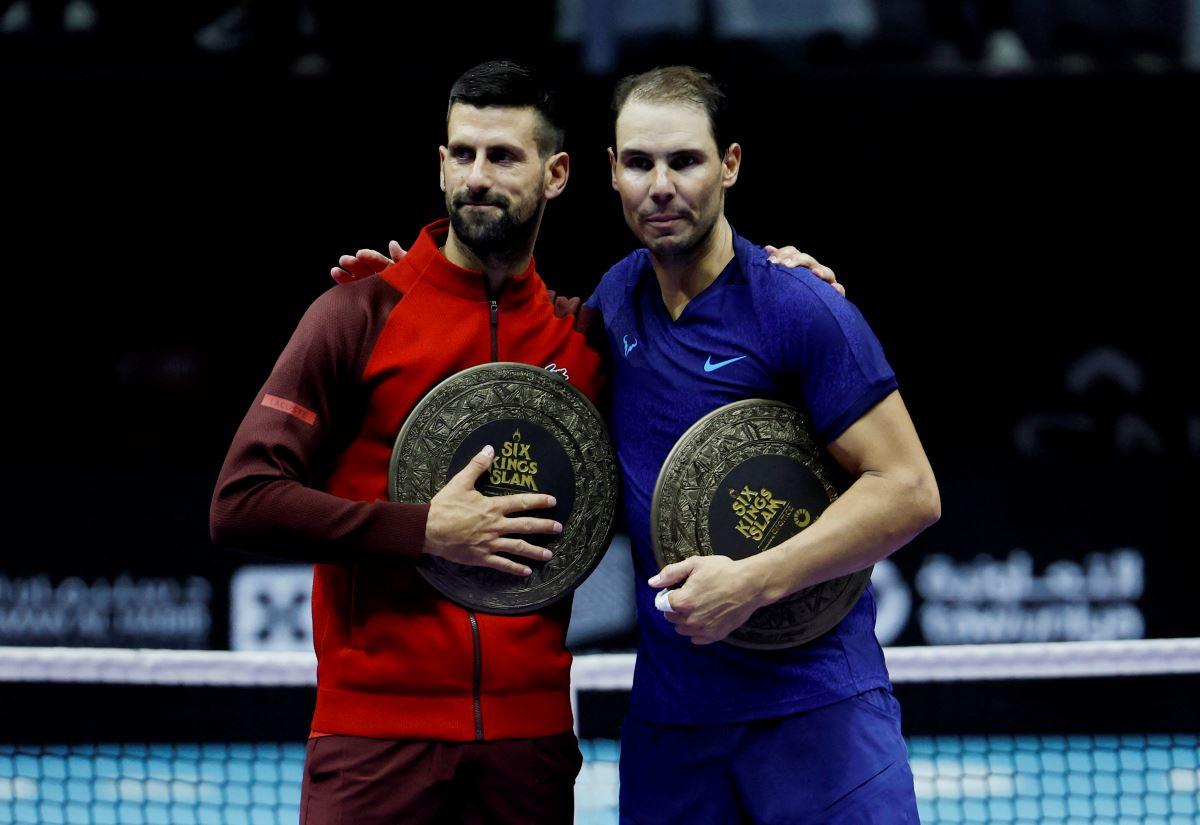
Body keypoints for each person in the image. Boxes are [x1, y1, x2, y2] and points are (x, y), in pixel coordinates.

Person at [210, 60, 606, 825]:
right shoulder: (356, 314)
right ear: (439, 164)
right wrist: (425, 529)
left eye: (503, 156)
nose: (477, 177)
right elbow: (242, 501)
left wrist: (785, 275)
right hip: (373, 739)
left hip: (530, 747)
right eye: (462, 154)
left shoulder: (584, 340)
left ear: (556, 173)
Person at [584, 65, 941, 823]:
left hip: (818, 709)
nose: (661, 185)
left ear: (730, 164)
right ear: (611, 172)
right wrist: (395, 290)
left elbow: (909, 489)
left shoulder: (800, 307)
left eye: (685, 160)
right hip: (673, 728)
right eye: (640, 163)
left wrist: (753, 581)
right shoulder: (610, 304)